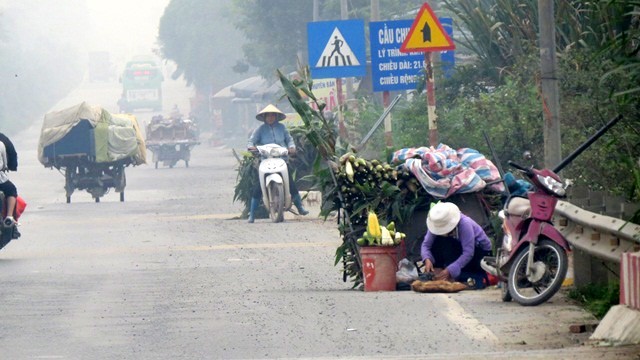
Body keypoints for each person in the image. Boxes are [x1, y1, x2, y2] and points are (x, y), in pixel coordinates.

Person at [246, 104, 308, 223]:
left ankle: (300, 207)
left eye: (272, 115)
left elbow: (289, 139)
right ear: (264, 117)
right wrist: (251, 147)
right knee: (258, 186)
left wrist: (292, 147)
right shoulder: (260, 130)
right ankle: (252, 214)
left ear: (276, 116)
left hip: (281, 159)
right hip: (266, 159)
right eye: (268, 115)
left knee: (290, 182)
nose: (270, 117)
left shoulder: (282, 128)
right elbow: (251, 141)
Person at [421, 202, 492, 286]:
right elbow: (426, 245)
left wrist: (450, 270)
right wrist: (427, 259)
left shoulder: (465, 223)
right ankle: (440, 270)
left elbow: (468, 252)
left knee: (447, 244)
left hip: (479, 254)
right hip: (457, 250)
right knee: (439, 242)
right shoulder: (437, 223)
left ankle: (455, 274)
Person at [0, 138, 19, 231]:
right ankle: (9, 217)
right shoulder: (1, 144)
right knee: (11, 190)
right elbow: (5, 164)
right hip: (1, 181)